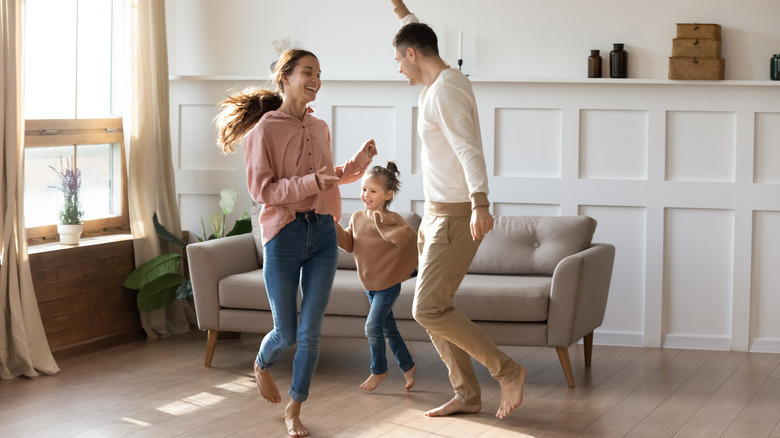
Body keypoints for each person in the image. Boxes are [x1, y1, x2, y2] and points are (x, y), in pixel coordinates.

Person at [215, 49, 377, 437]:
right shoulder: (264, 130)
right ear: (284, 77)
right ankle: (261, 364)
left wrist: (355, 165)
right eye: (308, 72)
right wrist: (311, 183)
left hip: (321, 232)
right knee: (285, 333)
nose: (316, 78)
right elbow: (262, 191)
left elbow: (325, 176)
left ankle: (295, 408)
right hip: (284, 236)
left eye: (319, 73)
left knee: (310, 332)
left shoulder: (319, 128)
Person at [387, 0, 528, 420]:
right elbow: (417, 35)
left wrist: (480, 203)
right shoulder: (444, 80)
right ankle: (466, 394)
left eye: (399, 59)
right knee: (435, 309)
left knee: (426, 307)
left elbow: (469, 150)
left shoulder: (445, 90)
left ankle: (508, 370)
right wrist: (401, 12)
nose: (398, 69)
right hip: (434, 215)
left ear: (412, 55)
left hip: (453, 215)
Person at [335, 161, 418, 392]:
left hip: (388, 285)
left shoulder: (393, 219)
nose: (366, 195)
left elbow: (405, 238)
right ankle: (408, 366)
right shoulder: (357, 217)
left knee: (372, 327)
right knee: (388, 328)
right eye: (364, 189)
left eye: (373, 191)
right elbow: (350, 244)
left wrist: (382, 224)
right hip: (369, 284)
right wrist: (334, 228)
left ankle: (378, 370)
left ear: (388, 195)